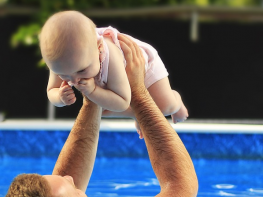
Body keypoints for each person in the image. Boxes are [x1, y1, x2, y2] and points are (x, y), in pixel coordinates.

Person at [0, 34, 198, 197]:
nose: (70, 178)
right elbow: (180, 185)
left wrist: (93, 98)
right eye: (71, 188)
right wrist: (139, 93)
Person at [39, 11, 189, 138]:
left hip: (143, 65)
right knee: (99, 110)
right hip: (116, 84)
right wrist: (59, 97)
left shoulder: (110, 57)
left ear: (99, 49)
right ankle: (138, 114)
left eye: (81, 71)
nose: (74, 80)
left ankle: (177, 101)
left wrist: (93, 91)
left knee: (164, 107)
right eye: (63, 75)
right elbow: (51, 91)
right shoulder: (61, 60)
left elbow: (123, 101)